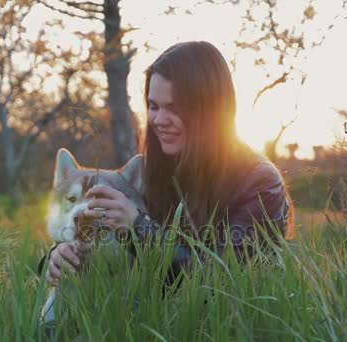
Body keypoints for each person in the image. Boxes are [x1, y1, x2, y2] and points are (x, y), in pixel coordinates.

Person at [44, 40, 294, 289]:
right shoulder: (154, 170)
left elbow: (222, 280)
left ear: (210, 111)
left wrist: (138, 227)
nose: (160, 120)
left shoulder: (260, 183)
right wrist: (57, 256)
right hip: (153, 320)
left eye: (174, 108)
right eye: (154, 106)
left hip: (236, 325)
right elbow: (112, 260)